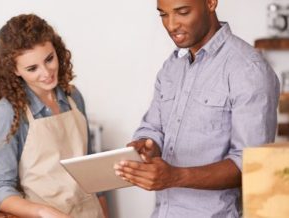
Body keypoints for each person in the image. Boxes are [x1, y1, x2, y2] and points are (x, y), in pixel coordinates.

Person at [114, 0, 280, 217]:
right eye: (163, 15)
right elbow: (152, 128)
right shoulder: (171, 67)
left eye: (182, 12)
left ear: (211, 3)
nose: (171, 25)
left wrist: (175, 176)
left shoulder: (248, 69)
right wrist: (146, 146)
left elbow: (251, 165)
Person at [0, 14, 107, 218]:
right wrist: (44, 212)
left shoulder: (73, 97)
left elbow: (92, 173)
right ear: (14, 70)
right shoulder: (8, 111)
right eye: (32, 68)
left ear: (57, 50)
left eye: (49, 59)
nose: (47, 72)